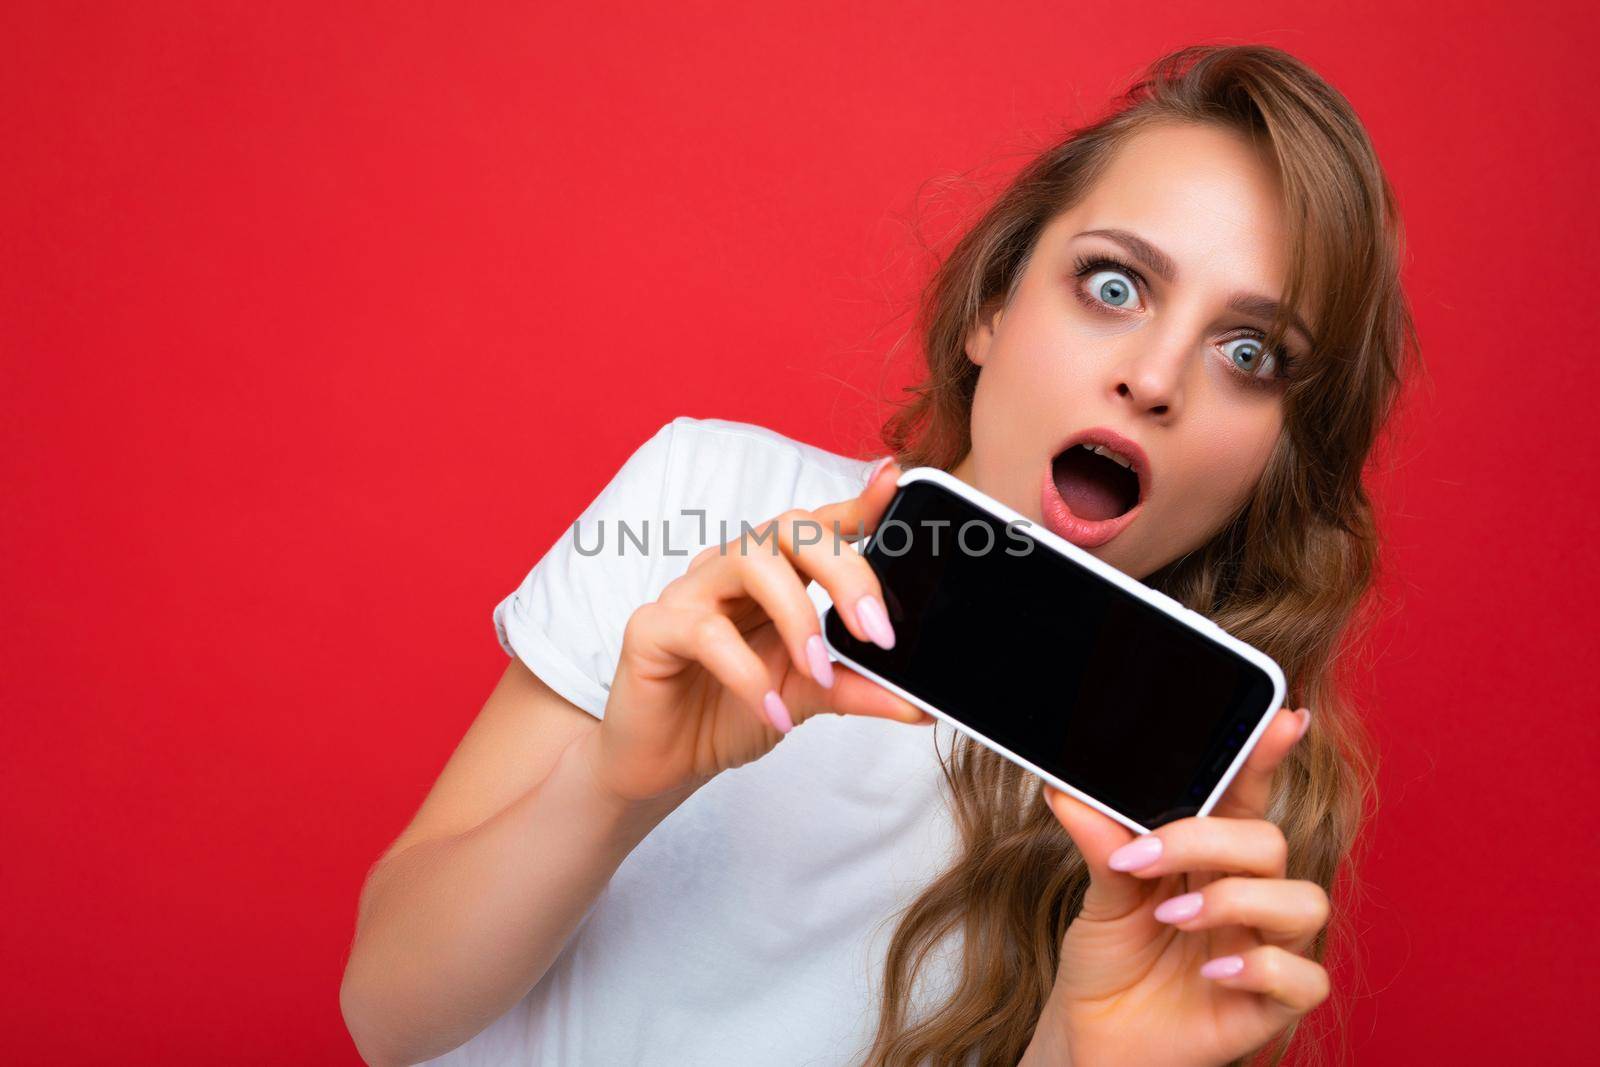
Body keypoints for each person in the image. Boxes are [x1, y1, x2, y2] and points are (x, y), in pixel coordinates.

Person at [340, 43, 1419, 1067]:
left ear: (1280, 450)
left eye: (1250, 353)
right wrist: (617, 786)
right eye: (1113, 284)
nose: (1153, 376)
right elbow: (386, 1016)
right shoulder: (715, 499)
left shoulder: (1219, 802)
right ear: (990, 310)